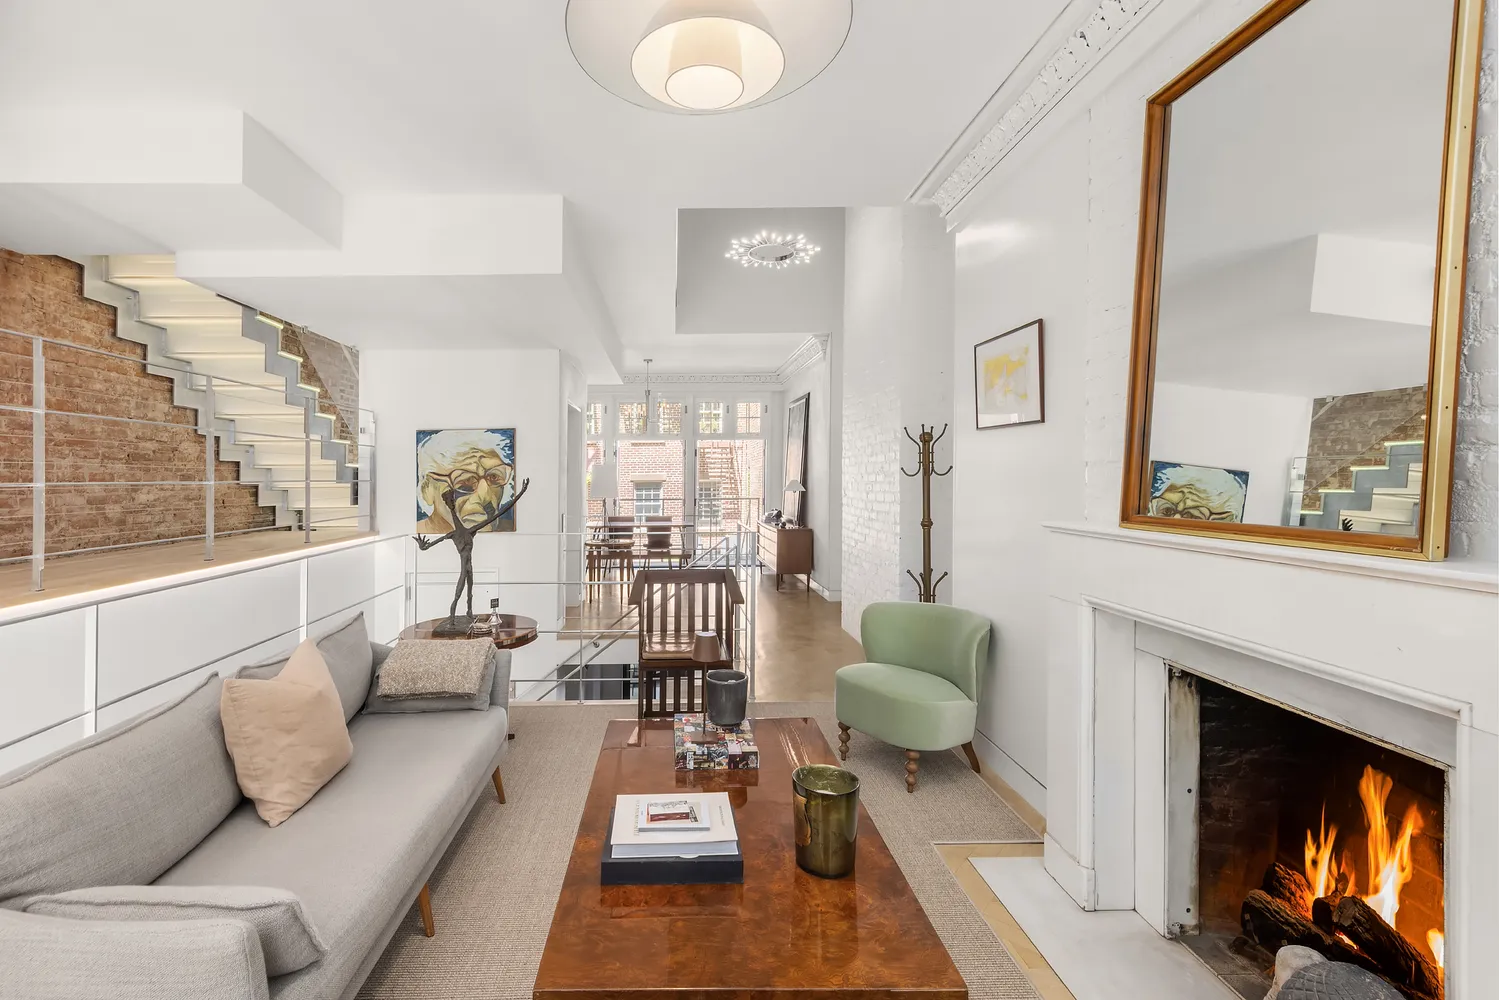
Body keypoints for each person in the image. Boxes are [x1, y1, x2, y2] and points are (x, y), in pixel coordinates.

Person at [414, 477, 530, 624]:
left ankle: (469, 613)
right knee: (458, 594)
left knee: (469, 593)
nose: (452, 507)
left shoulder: (470, 531)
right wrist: (422, 545)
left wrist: (522, 492)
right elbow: (427, 547)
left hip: (470, 567)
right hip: (465, 568)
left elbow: (500, 513)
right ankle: (452, 619)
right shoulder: (454, 535)